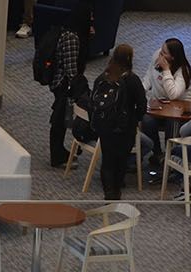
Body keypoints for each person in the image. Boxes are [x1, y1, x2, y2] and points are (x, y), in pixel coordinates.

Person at [91, 44, 147, 201]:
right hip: (125, 128)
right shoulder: (132, 79)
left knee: (107, 160)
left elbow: (93, 102)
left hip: (105, 126)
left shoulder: (103, 77)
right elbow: (142, 105)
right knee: (121, 160)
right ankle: (116, 190)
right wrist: (135, 119)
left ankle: (108, 192)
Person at [47, 4, 94, 168]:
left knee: (60, 119)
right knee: (59, 120)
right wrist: (78, 89)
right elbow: (71, 69)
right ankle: (57, 156)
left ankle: (60, 151)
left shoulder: (70, 33)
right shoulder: (72, 38)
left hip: (62, 83)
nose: (92, 20)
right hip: (63, 85)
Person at [141, 38, 191, 171]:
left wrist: (166, 70)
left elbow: (173, 94)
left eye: (164, 53)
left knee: (172, 122)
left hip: (178, 111)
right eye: (161, 50)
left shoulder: (183, 70)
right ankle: (157, 153)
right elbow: (148, 77)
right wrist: (140, 91)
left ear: (173, 57)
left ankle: (171, 157)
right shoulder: (157, 55)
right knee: (146, 120)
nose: (160, 55)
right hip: (158, 108)